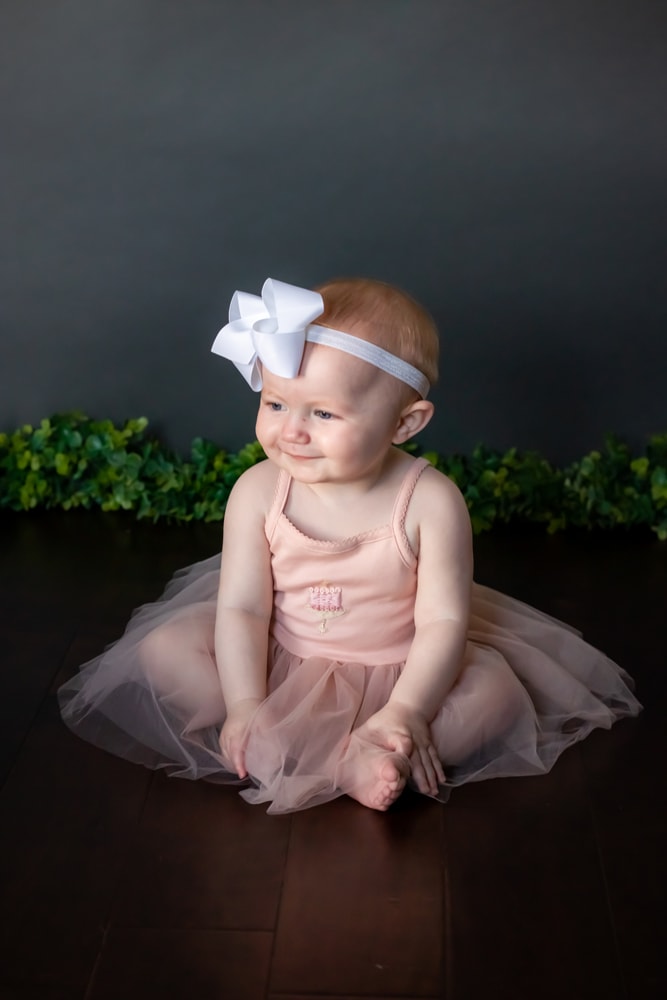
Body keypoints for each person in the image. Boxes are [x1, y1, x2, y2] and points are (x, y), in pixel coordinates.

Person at [58, 277, 642, 814]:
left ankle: (375, 745)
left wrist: (408, 710)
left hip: (401, 667)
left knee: (495, 693)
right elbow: (242, 608)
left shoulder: (431, 501)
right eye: (276, 404)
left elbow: (441, 622)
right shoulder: (259, 490)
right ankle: (273, 742)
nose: (292, 431)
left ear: (405, 424)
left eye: (324, 413)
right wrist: (243, 704)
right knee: (166, 648)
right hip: (278, 660)